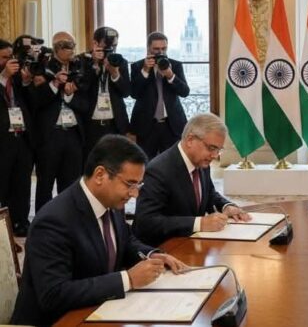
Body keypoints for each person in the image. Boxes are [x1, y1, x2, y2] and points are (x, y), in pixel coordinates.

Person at [11, 135, 187, 326]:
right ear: (100, 175)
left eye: (138, 185)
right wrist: (127, 279)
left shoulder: (110, 201)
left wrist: (152, 255)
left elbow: (125, 241)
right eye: (130, 184)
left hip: (99, 310)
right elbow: (53, 295)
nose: (135, 194)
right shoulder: (53, 221)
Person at [133, 113, 249, 246]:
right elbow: (147, 222)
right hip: (163, 248)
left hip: (192, 244)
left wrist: (226, 206)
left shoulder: (201, 161)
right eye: (211, 148)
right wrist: (200, 223)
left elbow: (209, 193)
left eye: (218, 150)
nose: (215, 155)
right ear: (190, 140)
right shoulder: (158, 170)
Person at [30, 32, 90, 211]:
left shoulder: (80, 68)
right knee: (45, 183)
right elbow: (36, 101)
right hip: (50, 134)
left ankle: (68, 219)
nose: (71, 50)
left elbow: (86, 104)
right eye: (67, 46)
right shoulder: (42, 67)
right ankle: (43, 219)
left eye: (73, 45)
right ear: (56, 48)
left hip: (73, 133)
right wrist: (55, 85)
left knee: (71, 184)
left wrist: (70, 96)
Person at [129, 32, 190, 159]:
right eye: (156, 49)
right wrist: (145, 71)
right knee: (146, 162)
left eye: (164, 48)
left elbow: (185, 92)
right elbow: (134, 93)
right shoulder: (138, 66)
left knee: (172, 162)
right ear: (148, 48)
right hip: (146, 125)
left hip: (171, 124)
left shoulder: (175, 65)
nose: (161, 52)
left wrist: (170, 75)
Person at [0, 39, 34, 236]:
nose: (9, 61)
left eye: (10, 57)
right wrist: (3, 77)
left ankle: (20, 222)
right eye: (4, 58)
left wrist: (27, 81)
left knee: (22, 183)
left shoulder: (17, 78)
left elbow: (32, 102)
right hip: (2, 139)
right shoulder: (5, 77)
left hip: (22, 137)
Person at [82, 26, 131, 159]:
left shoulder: (120, 62)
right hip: (90, 125)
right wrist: (94, 65)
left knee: (114, 164)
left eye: (114, 46)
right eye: (107, 46)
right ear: (95, 43)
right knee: (91, 163)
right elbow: (82, 89)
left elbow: (126, 92)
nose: (111, 49)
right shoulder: (83, 60)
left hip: (114, 124)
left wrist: (115, 74)